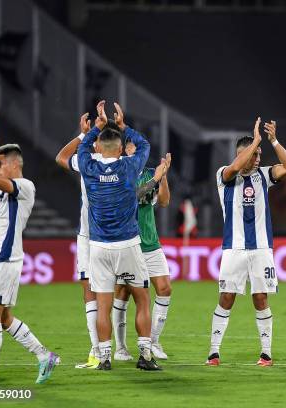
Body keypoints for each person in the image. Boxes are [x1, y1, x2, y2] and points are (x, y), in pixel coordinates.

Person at [0, 122, 58, 386]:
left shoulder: (25, 186)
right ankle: (43, 356)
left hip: (5, 259)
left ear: (13, 164)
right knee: (3, 318)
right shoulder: (2, 189)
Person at [206, 117, 286, 367]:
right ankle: (213, 352)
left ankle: (266, 353)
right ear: (242, 154)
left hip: (261, 249)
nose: (257, 160)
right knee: (226, 297)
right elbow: (235, 168)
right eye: (253, 155)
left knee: (261, 298)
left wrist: (273, 141)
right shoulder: (224, 175)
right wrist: (255, 141)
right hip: (233, 248)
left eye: (258, 155)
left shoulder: (264, 176)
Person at [78, 101, 159, 371]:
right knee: (142, 298)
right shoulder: (129, 168)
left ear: (99, 149)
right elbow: (144, 145)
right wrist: (123, 126)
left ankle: (104, 357)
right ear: (121, 149)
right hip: (128, 244)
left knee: (103, 304)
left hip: (99, 247)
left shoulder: (89, 168)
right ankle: (145, 355)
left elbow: (81, 149)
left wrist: (96, 129)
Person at [112, 143, 173, 362]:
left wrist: (163, 176)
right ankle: (120, 347)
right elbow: (133, 198)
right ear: (122, 150)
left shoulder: (150, 173)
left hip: (150, 242)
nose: (134, 152)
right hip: (129, 243)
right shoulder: (118, 172)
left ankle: (154, 341)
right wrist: (156, 178)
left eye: (137, 148)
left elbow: (164, 202)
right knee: (124, 292)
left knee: (164, 289)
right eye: (130, 147)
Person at [55, 112, 102, 369]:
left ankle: (100, 350)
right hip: (99, 236)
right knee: (100, 290)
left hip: (97, 236)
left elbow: (61, 157)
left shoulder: (88, 162)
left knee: (97, 291)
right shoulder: (120, 161)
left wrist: (84, 133)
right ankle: (101, 350)